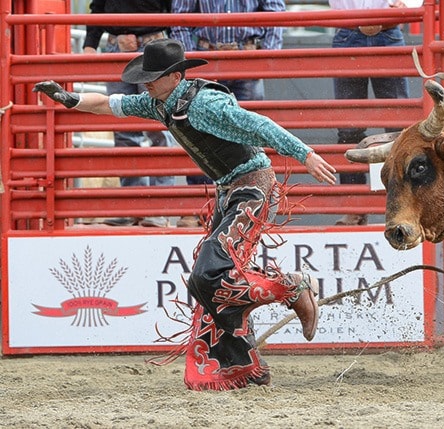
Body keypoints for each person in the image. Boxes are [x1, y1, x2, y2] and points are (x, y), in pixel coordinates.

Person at [33, 39, 337, 390]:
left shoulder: (206, 103)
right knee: (205, 279)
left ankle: (292, 287)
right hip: (233, 191)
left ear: (175, 76)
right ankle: (244, 360)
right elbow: (109, 103)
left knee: (210, 274)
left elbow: (260, 126)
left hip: (253, 188)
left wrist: (306, 154)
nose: (145, 82)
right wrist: (68, 99)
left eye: (153, 76)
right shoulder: (159, 102)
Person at [169, 0, 285, 228]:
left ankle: (248, 203)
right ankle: (203, 206)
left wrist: (266, 54)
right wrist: (188, 60)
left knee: (248, 133)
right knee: (200, 131)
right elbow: (180, 17)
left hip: (244, 56)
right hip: (208, 57)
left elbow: (275, 12)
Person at [83, 0, 175, 228]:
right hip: (120, 45)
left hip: (154, 43)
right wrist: (90, 43)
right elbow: (98, 5)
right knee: (124, 129)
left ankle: (159, 207)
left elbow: (175, 7)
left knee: (160, 127)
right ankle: (132, 204)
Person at [328, 0, 410, 226]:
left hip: (377, 27)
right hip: (360, 29)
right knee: (350, 128)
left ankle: (399, 204)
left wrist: (406, 5)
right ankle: (356, 207)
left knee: (396, 126)